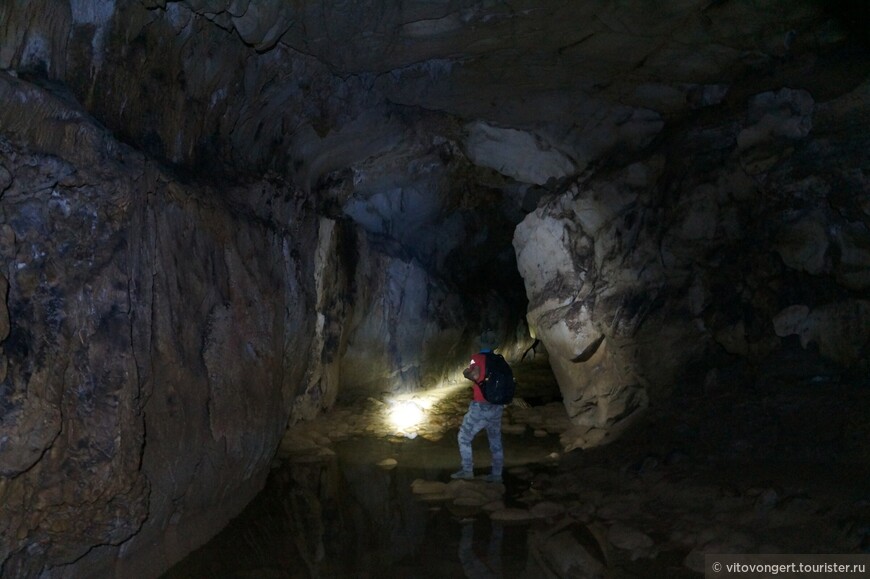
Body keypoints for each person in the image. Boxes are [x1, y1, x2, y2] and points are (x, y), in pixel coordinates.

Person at [451, 349, 505, 483]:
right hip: (497, 406)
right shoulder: (498, 360)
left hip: (481, 406)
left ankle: (468, 471)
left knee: (463, 437)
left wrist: (467, 371)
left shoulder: (477, 358)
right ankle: (497, 474)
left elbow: (471, 375)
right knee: (495, 440)